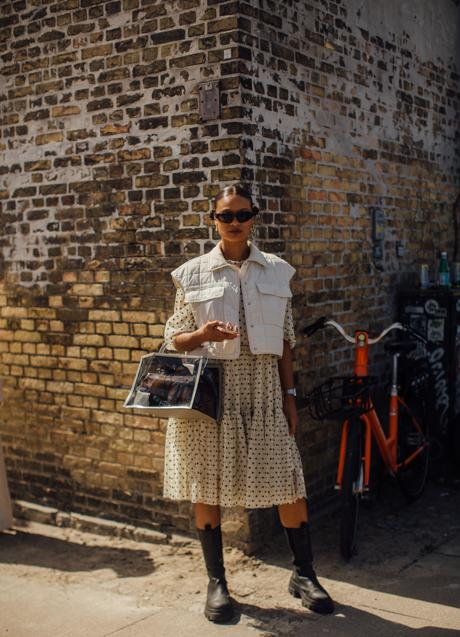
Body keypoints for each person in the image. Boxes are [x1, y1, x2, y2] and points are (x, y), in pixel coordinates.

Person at [163, 183, 333, 622]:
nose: (235, 222)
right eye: (226, 215)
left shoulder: (277, 270)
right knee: (208, 483)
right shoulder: (192, 273)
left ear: (254, 217)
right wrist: (203, 335)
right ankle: (217, 583)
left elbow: (286, 341)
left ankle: (304, 574)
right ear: (213, 220)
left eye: (243, 214)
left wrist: (290, 397)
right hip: (213, 390)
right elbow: (173, 338)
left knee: (287, 479)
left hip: (263, 391)